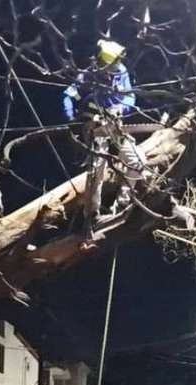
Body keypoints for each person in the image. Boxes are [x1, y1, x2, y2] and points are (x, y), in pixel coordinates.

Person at [61, 39, 144, 240]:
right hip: (95, 127)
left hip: (115, 125)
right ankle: (92, 216)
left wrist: (120, 108)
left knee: (136, 161)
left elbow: (130, 98)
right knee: (96, 170)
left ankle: (122, 204)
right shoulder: (88, 76)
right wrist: (72, 118)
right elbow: (68, 96)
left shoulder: (121, 72)